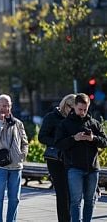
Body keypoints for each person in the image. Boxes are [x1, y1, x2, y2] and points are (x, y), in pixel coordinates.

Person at [55, 93, 107, 222]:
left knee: (90, 200)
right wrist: (74, 138)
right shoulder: (65, 124)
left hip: (92, 168)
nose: (83, 112)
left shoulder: (94, 123)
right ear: (74, 107)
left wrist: (93, 138)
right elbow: (59, 143)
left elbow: (105, 142)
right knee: (75, 201)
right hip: (74, 168)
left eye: (85, 109)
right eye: (80, 109)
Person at [0, 94, 28, 222]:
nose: (6, 108)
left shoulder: (18, 123)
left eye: (8, 105)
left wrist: (22, 155)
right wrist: (0, 121)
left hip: (16, 167)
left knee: (14, 199)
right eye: (3, 105)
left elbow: (25, 142)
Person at [38, 94, 76, 222]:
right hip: (56, 161)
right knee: (62, 194)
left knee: (74, 194)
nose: (74, 111)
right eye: (72, 108)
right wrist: (59, 141)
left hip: (73, 160)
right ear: (65, 105)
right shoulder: (51, 117)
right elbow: (42, 137)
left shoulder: (75, 118)